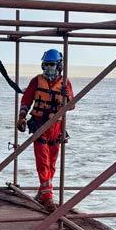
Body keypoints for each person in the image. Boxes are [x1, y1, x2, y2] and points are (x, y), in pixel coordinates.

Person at [16, 49, 73, 211]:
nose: (48, 68)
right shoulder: (36, 81)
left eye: (52, 64)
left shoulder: (65, 84)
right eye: (46, 64)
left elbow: (72, 106)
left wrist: (67, 96)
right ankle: (48, 196)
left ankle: (43, 192)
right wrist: (21, 117)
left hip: (56, 128)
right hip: (39, 125)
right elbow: (26, 100)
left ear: (58, 65)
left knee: (52, 164)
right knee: (42, 161)